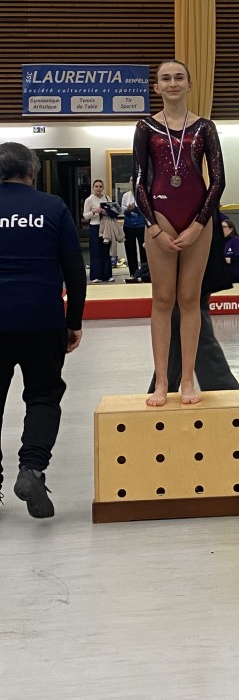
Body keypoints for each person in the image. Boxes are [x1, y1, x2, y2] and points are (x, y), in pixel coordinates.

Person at [0, 142, 86, 518]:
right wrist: (74, 322)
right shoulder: (53, 207)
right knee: (43, 396)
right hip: (42, 318)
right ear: (32, 172)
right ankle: (32, 470)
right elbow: (75, 271)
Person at [133, 59, 225, 407]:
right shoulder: (146, 127)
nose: (172, 83)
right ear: (156, 87)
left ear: (189, 85)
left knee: (190, 299)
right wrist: (154, 227)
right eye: (165, 78)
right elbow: (138, 180)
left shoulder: (204, 128)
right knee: (162, 299)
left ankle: (187, 380)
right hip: (161, 216)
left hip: (197, 217)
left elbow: (218, 180)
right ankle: (162, 382)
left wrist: (200, 223)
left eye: (179, 77)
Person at [149, 212, 239, 394]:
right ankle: (166, 384)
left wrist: (198, 225)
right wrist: (154, 228)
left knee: (190, 307)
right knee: (177, 316)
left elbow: (214, 192)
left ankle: (220, 387)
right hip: (171, 224)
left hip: (198, 227)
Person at [83, 178, 114, 283]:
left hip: (106, 226)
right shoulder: (89, 200)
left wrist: (106, 211)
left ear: (103, 188)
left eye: (100, 186)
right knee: (95, 251)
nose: (98, 188)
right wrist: (94, 212)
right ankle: (96, 275)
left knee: (106, 250)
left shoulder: (107, 198)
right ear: (93, 188)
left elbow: (113, 211)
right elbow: (85, 216)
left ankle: (107, 275)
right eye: (96, 186)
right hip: (95, 226)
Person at [121, 176, 147, 280]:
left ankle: (144, 272)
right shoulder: (126, 195)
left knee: (143, 249)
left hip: (140, 225)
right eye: (131, 181)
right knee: (130, 249)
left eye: (134, 181)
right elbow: (123, 209)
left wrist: (135, 208)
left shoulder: (143, 194)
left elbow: (145, 210)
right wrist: (128, 210)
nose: (132, 183)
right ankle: (133, 272)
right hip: (129, 225)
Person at [221, 217, 239, 283]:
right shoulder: (223, 242)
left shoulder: (236, 241)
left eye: (224, 227)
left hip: (235, 274)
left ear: (231, 229)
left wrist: (224, 260)